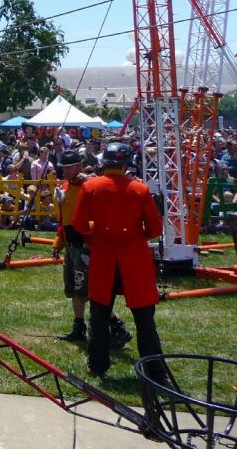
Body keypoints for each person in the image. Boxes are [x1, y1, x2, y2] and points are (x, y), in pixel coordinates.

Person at [73, 141, 165, 379]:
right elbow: (155, 229)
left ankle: (97, 366)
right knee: (145, 319)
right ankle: (155, 371)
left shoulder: (90, 187)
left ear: (104, 162)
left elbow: (80, 225)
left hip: (104, 257)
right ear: (127, 164)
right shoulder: (140, 190)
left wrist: (98, 238)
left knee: (100, 315)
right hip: (134, 257)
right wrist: (135, 237)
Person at [52, 150, 131, 347]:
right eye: (65, 168)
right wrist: (58, 242)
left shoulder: (91, 184)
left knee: (89, 289)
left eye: (71, 167)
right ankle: (78, 327)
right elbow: (65, 219)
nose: (68, 171)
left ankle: (117, 326)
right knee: (74, 288)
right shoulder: (66, 187)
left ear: (80, 165)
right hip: (72, 242)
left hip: (86, 243)